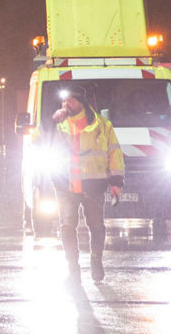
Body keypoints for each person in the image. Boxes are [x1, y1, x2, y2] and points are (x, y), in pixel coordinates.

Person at [49, 88, 125, 282]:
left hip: (93, 186)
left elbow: (114, 154)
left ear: (82, 102)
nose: (66, 104)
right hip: (65, 186)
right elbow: (44, 145)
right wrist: (51, 123)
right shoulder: (59, 124)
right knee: (67, 226)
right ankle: (72, 268)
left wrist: (116, 182)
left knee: (97, 227)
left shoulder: (102, 125)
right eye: (64, 100)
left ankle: (96, 259)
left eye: (71, 100)